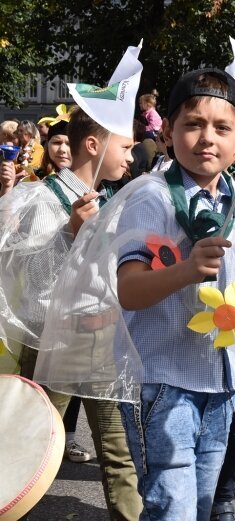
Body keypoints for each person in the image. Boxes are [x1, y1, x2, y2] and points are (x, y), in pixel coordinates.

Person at [113, 69, 235, 520]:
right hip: (162, 381)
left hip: (221, 385)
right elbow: (129, 290)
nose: (207, 138)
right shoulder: (151, 199)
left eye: (222, 128)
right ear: (167, 131)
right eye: (192, 124)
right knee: (173, 510)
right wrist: (186, 270)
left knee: (201, 508)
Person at [1, 106, 142, 519]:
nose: (132, 157)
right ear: (95, 146)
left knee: (119, 452)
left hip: (103, 338)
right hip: (53, 341)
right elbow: (27, 274)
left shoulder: (112, 200)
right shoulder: (43, 197)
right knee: (28, 450)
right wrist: (69, 233)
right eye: (127, 147)